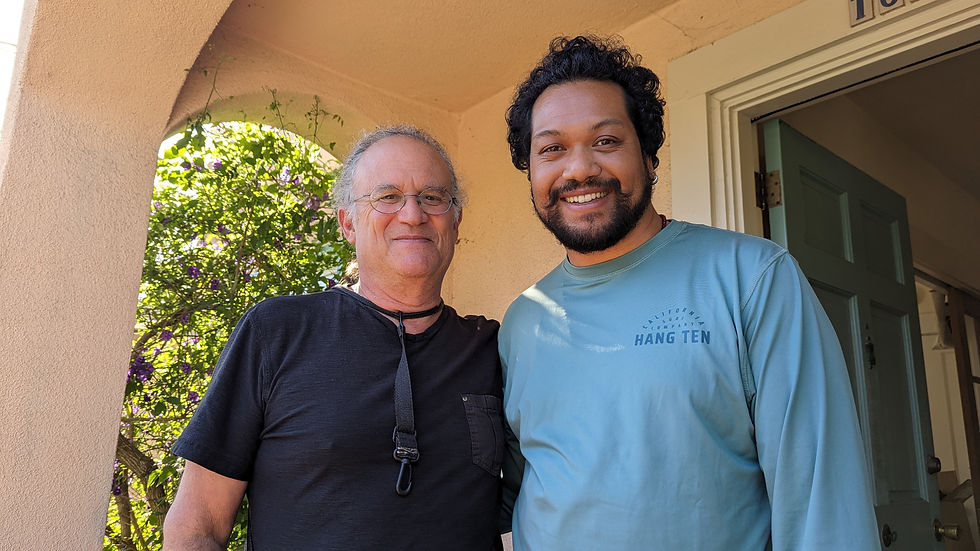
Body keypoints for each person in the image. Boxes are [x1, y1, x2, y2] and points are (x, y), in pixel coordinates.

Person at [498, 36, 879, 550]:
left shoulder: (751, 277)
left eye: (606, 141)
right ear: (532, 172)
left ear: (649, 157)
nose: (579, 169)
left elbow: (820, 497)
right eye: (551, 149)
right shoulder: (523, 322)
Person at [163, 126, 505, 550]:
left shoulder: (494, 349)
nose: (413, 214)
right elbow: (197, 526)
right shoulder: (278, 332)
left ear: (455, 222)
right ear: (348, 224)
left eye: (432, 198)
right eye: (387, 197)